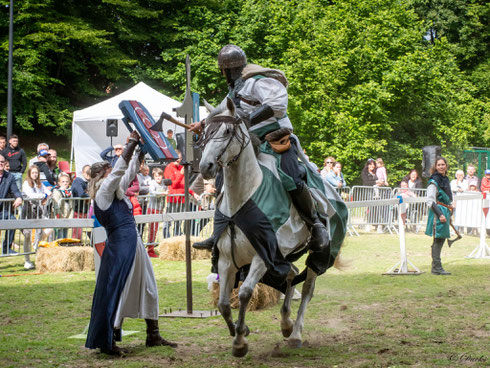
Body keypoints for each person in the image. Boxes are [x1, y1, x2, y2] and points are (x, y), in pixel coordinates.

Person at [191, 44, 329, 252]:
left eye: (228, 70)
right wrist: (202, 124)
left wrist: (249, 118)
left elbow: (278, 104)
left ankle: (315, 224)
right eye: (226, 71)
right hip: (249, 143)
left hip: (276, 140)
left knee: (291, 175)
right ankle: (218, 232)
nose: (227, 74)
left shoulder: (260, 82)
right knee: (223, 177)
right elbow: (220, 113)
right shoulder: (232, 92)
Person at [85, 131, 176, 355]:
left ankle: (153, 335)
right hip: (120, 248)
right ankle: (110, 341)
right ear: (101, 177)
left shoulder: (117, 192)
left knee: (150, 288)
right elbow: (119, 172)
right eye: (109, 172)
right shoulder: (104, 194)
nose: (113, 175)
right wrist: (132, 142)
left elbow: (129, 170)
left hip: (134, 244)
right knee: (120, 292)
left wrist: (142, 148)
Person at [425, 157, 453, 275]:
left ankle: (436, 266)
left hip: (444, 210)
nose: (441, 166)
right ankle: (436, 267)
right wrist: (440, 214)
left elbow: (447, 197)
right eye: (439, 165)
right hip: (438, 212)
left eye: (443, 164)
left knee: (440, 239)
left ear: (446, 166)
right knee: (438, 239)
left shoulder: (445, 180)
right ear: (435, 167)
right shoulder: (434, 181)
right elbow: (430, 201)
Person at [21, 166, 52, 270]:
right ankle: (27, 260)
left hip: (38, 211)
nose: (35, 174)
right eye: (33, 172)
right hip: (28, 211)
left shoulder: (39, 184)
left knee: (44, 230)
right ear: (29, 173)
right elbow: (31, 195)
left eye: (36, 173)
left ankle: (37, 250)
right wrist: (43, 196)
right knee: (27, 235)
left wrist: (45, 195)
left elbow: (48, 192)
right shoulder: (26, 183)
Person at [163, 150, 199, 238]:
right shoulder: (169, 167)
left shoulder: (180, 168)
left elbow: (184, 185)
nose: (178, 160)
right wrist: (181, 174)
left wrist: (193, 193)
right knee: (168, 221)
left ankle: (176, 239)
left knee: (178, 222)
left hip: (181, 200)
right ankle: (167, 239)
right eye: (176, 158)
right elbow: (173, 185)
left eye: (179, 158)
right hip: (173, 199)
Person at [0, 153, 23, 255]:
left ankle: (6, 249)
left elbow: (15, 190)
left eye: (2, 162)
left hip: (1, 211)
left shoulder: (9, 176)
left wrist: (18, 197)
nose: (0, 163)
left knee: (13, 220)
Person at [147, 168, 168, 252]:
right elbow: (152, 192)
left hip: (159, 209)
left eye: (159, 176)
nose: (158, 178)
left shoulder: (164, 183)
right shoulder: (152, 183)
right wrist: (163, 193)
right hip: (152, 209)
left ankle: (151, 248)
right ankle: (150, 250)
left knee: (155, 230)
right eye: (156, 176)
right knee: (152, 230)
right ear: (154, 177)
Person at [71, 164, 91, 239]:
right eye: (87, 172)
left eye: (90, 172)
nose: (89, 174)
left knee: (90, 229)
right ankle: (76, 244)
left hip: (87, 210)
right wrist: (91, 197)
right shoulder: (78, 181)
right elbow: (81, 194)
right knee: (77, 231)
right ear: (83, 172)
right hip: (78, 210)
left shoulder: (89, 182)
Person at [52, 172, 73, 238]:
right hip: (59, 216)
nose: (65, 183)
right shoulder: (57, 191)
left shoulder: (70, 192)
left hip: (67, 216)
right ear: (59, 183)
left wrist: (70, 217)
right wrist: (59, 215)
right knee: (59, 234)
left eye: (67, 181)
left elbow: (72, 206)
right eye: (63, 181)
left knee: (65, 234)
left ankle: (64, 245)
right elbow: (55, 205)